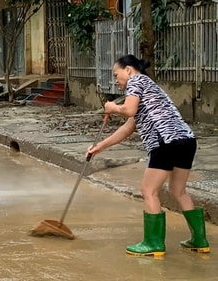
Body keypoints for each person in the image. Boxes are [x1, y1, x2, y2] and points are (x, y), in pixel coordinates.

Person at [87, 54, 210, 257]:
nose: (116, 81)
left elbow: (128, 110)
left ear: (128, 70)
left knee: (149, 191)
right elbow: (128, 128)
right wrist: (99, 147)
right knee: (178, 191)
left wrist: (112, 107)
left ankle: (153, 243)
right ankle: (199, 240)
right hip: (186, 141)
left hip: (165, 141)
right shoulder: (151, 90)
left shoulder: (136, 81)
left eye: (116, 75)